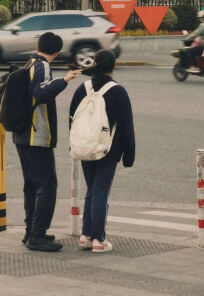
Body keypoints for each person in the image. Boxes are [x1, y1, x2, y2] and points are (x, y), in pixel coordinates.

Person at [13, 32, 82, 252]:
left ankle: (30, 231)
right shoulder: (42, 66)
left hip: (22, 134)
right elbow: (41, 94)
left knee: (32, 185)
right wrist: (65, 80)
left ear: (37, 45)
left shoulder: (30, 63)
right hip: (36, 136)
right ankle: (37, 235)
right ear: (57, 52)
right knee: (47, 185)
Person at [69, 50, 135, 253]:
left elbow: (72, 119)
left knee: (91, 191)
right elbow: (126, 127)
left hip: (84, 146)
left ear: (95, 63)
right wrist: (129, 156)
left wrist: (75, 143)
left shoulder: (83, 88)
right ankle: (98, 239)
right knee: (100, 192)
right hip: (108, 150)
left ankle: (85, 235)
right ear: (113, 66)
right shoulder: (118, 91)